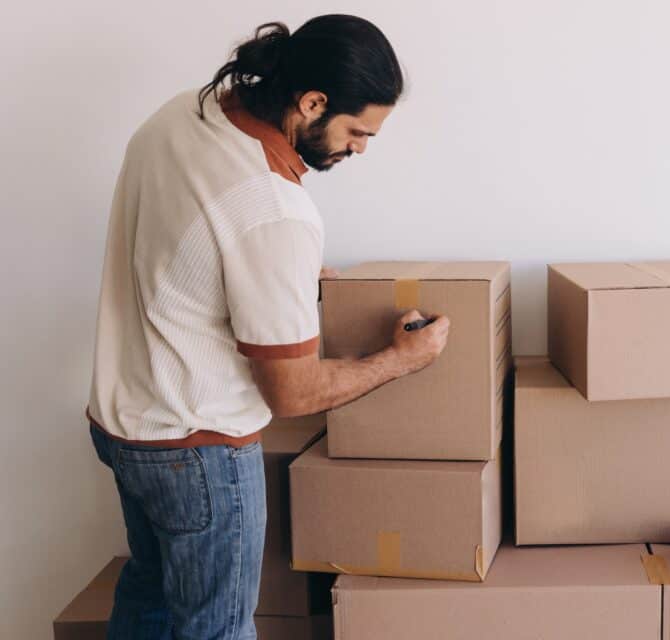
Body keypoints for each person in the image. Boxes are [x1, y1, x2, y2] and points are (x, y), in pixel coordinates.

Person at [86, 15, 450, 639]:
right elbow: (294, 394)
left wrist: (279, 281)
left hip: (123, 426)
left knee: (151, 598)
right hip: (197, 451)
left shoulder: (183, 115)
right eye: (357, 130)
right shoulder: (274, 209)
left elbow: (193, 247)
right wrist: (401, 361)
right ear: (312, 102)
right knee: (217, 630)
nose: (360, 148)